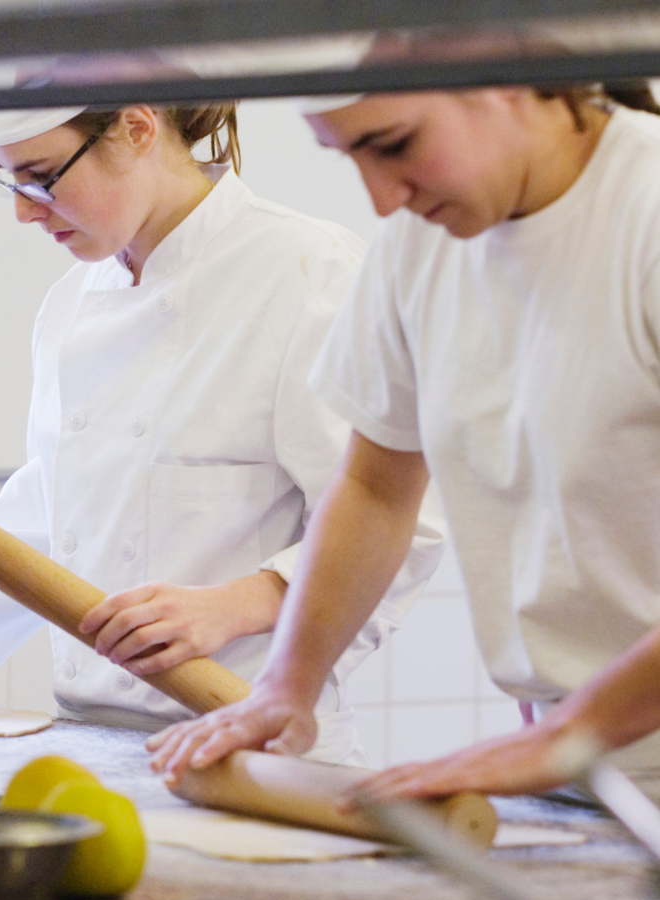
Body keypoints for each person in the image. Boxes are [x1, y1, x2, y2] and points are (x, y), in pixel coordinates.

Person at [0, 101, 442, 764]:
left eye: (41, 179)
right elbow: (48, 527)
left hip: (259, 748)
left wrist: (229, 607)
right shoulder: (72, 305)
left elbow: (401, 525)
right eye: (9, 181)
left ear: (136, 129)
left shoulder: (308, 274)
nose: (21, 211)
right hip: (97, 747)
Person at [147, 77, 660, 796]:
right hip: (583, 760)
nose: (383, 198)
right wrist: (286, 685)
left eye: (394, 145)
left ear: (505, 79)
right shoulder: (419, 250)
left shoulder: (644, 212)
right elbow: (375, 489)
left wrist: (564, 738)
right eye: (347, 157)